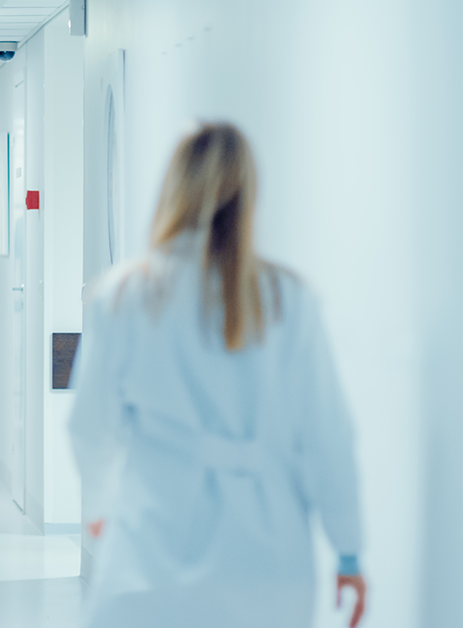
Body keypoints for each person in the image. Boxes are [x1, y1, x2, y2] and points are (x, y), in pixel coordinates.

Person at [68, 123, 367, 628]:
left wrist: (99, 505)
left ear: (174, 189)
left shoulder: (123, 296)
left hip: (152, 544)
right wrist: (349, 551)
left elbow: (90, 426)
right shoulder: (287, 298)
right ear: (249, 194)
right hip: (267, 556)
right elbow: (327, 438)